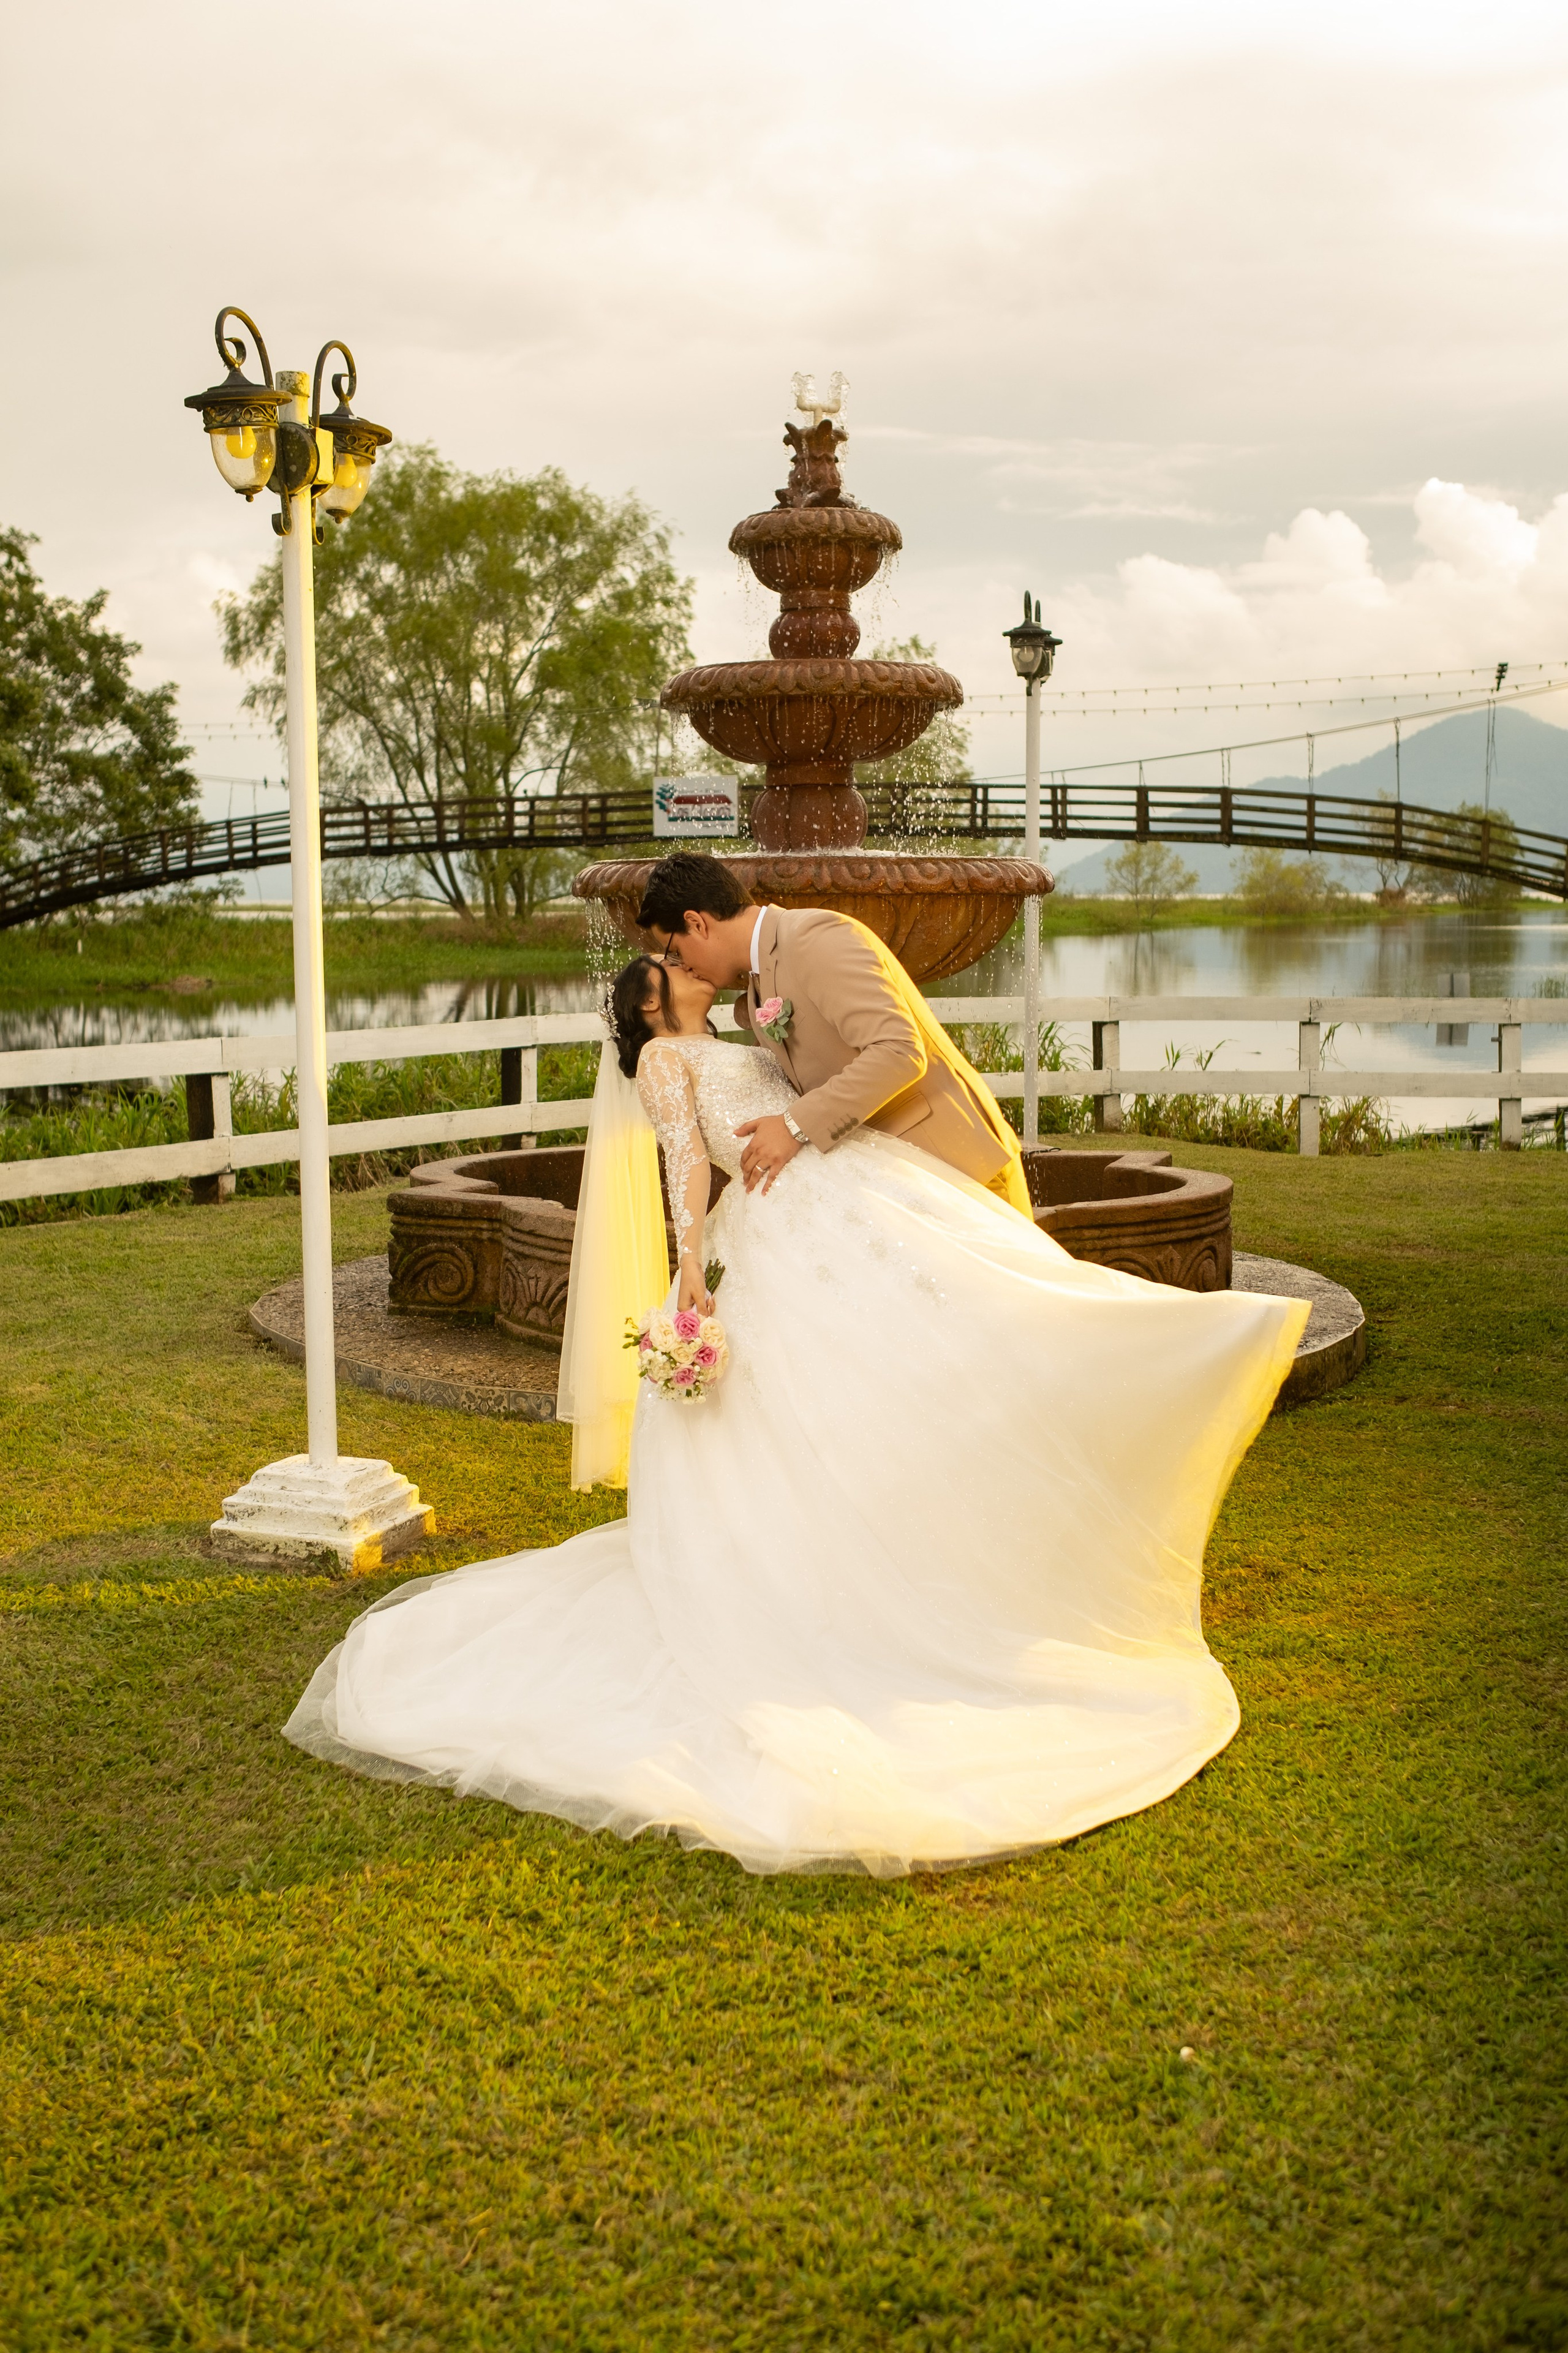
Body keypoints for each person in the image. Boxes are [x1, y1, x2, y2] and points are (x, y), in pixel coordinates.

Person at [284, 921, 1309, 1877]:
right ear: (649, 1006)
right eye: (671, 973)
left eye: (683, 958)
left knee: (956, 1332)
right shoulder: (663, 1063)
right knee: (826, 1397)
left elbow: (820, 1079)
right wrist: (690, 1270)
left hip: (853, 1189)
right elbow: (691, 1169)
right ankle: (846, 1566)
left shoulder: (737, 1024)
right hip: (782, 1227)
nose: (691, 970)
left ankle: (1077, 1402)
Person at [633, 851, 1033, 1216]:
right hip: (900, 1188)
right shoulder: (757, 982)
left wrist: (794, 1125)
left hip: (961, 1170)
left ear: (696, 923)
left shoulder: (812, 937)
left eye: (674, 951)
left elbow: (899, 1051)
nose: (680, 965)